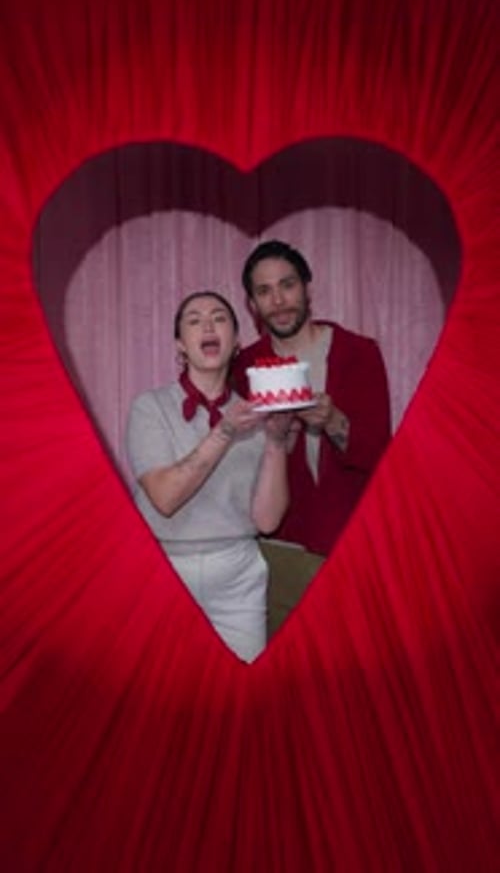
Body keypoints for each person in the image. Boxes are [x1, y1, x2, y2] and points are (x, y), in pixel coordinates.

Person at [232, 240, 392, 632]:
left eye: (287, 285)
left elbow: (381, 457)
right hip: (282, 549)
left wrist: (335, 421)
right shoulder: (246, 366)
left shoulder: (358, 353)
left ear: (307, 288)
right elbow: (240, 469)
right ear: (252, 304)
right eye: (264, 291)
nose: (279, 301)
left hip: (353, 543)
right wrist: (277, 441)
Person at [126, 290, 292, 662]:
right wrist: (225, 431)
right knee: (163, 695)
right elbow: (165, 498)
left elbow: (267, 520)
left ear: (236, 343)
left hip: (237, 574)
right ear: (180, 347)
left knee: (241, 696)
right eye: (194, 320)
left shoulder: (258, 412)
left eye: (219, 318)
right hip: (162, 569)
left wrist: (277, 441)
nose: (208, 325)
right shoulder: (149, 407)